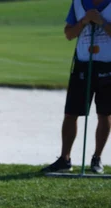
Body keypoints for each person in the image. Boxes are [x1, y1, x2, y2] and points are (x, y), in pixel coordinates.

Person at [42, 0, 111, 174]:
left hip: (107, 67)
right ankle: (65, 159)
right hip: (82, 65)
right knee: (71, 113)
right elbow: (69, 34)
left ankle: (97, 159)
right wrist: (84, 21)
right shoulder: (79, 3)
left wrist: (101, 21)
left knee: (104, 113)